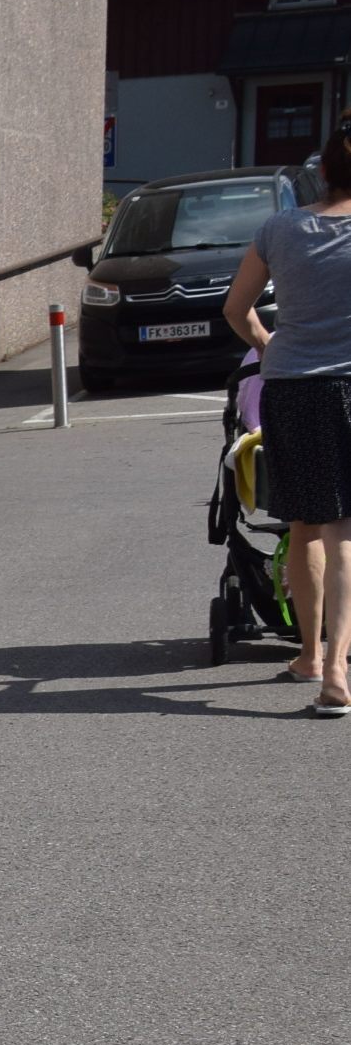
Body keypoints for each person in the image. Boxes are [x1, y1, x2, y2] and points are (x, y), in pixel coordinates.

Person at [225, 118, 351, 714]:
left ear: (321, 171)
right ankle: (337, 669)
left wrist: (270, 347)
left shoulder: (280, 228)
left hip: (294, 389)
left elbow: (237, 308)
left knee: (304, 524)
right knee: (344, 526)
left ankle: (310, 654)